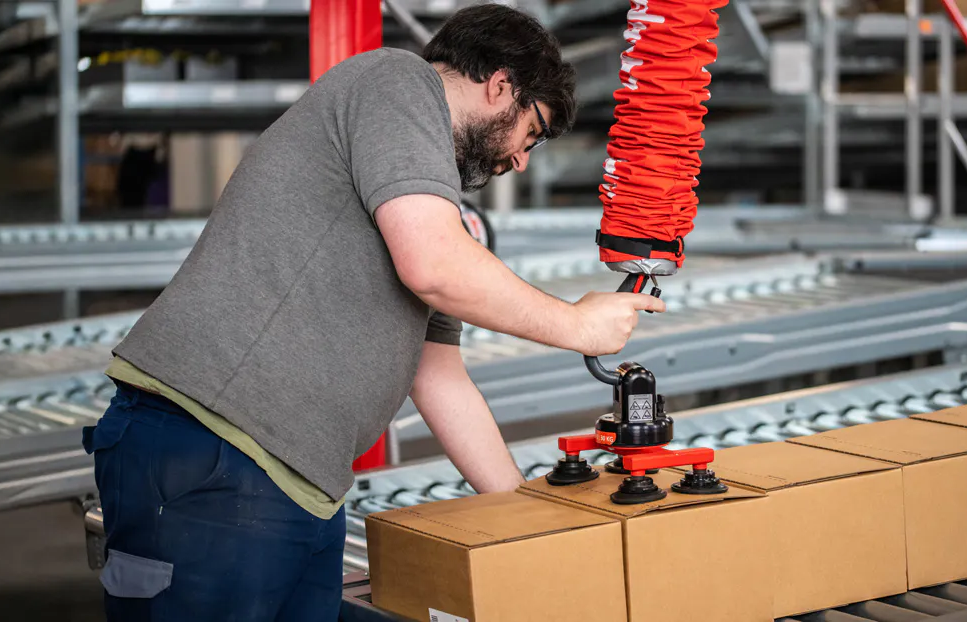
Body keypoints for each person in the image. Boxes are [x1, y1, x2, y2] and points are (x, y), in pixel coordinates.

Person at [81, 4, 665, 621]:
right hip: (213, 453)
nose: (522, 159)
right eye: (534, 130)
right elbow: (434, 266)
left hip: (300, 486)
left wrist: (523, 509)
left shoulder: (419, 191)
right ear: (501, 85)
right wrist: (577, 325)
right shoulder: (396, 82)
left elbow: (437, 376)